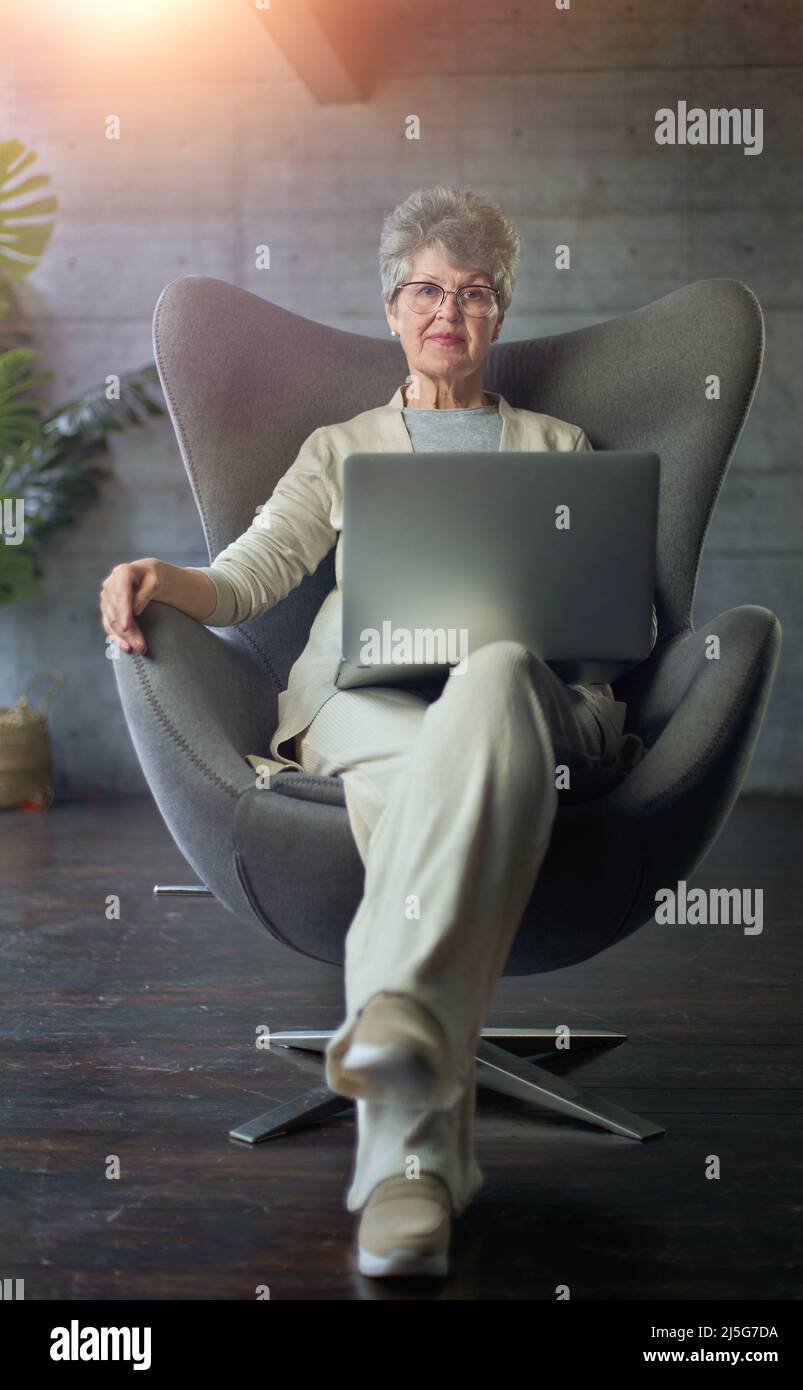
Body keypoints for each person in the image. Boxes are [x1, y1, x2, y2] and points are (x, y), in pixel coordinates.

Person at [99, 185, 656, 1281]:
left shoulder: (560, 443)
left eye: (476, 291)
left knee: (494, 673)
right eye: (427, 290)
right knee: (412, 769)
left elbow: (613, 616)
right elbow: (253, 575)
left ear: (500, 311)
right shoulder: (341, 447)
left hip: (523, 702)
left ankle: (405, 1132)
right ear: (394, 307)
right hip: (367, 707)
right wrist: (171, 578)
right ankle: (412, 1127)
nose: (450, 309)